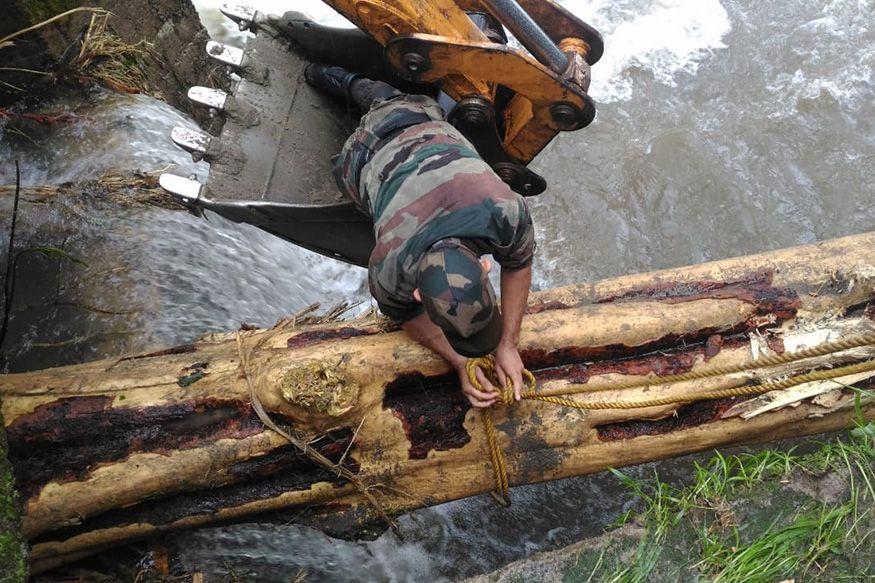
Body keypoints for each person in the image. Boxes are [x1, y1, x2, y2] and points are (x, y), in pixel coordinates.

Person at [305, 64, 535, 408]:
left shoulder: (504, 210)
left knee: (398, 102)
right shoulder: (387, 270)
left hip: (420, 120)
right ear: (486, 269)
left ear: (485, 269)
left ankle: (360, 86)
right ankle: (336, 78)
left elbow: (519, 263)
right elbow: (407, 316)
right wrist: (459, 361)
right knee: (371, 126)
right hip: (361, 156)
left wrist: (508, 344)